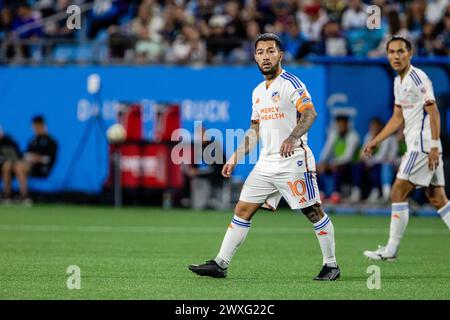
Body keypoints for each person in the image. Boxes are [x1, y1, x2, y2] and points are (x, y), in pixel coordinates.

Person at [188, 33, 340, 281]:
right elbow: (254, 130)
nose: (265, 56)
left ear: (281, 55)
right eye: (260, 52)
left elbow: (310, 114)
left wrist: (292, 138)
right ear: (255, 57)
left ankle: (331, 265)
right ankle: (220, 263)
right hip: (266, 163)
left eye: (271, 51)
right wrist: (235, 156)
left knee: (312, 211)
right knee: (242, 209)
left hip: (293, 161)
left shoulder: (291, 83)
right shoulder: (258, 92)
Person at [363, 36, 450, 261]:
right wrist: (376, 140)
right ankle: (391, 249)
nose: (396, 56)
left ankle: (391, 250)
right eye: (391, 52)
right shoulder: (398, 81)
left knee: (397, 191)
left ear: (410, 53)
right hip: (421, 145)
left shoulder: (417, 77)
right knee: (437, 198)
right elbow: (397, 117)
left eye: (401, 51)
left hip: (422, 145)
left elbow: (434, 112)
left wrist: (432, 146)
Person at [350, 117, 398, 204]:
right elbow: (363, 152)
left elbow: (382, 156)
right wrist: (366, 161)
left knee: (378, 167)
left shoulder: (386, 137)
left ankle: (377, 193)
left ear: (380, 127)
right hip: (372, 162)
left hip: (384, 163)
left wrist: (370, 162)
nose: (373, 128)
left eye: (376, 126)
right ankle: (356, 192)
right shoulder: (369, 135)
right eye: (372, 126)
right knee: (358, 165)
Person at [317, 114, 360, 203]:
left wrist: (333, 163)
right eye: (339, 124)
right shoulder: (334, 135)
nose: (340, 127)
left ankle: (336, 194)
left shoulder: (353, 136)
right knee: (318, 168)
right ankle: (321, 193)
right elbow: (327, 150)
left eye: (342, 124)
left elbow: (348, 157)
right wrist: (321, 163)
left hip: (351, 165)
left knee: (336, 168)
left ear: (347, 124)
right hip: (337, 163)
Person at [0, 126, 29, 202]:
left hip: (15, 165)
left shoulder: (9, 141)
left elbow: (19, 155)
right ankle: (6, 195)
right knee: (7, 166)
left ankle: (24, 196)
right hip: (3, 167)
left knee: (15, 166)